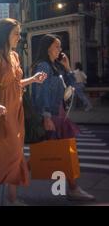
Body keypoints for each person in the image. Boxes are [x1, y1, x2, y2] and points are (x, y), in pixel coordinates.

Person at [0, 18, 47, 206]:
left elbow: (16, 84)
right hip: (1, 110)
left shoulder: (15, 56)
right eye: (16, 33)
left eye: (19, 33)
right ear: (5, 34)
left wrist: (33, 79)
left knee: (16, 154)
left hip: (16, 109)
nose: (19, 36)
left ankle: (12, 198)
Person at [31, 35, 95, 201]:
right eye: (57, 47)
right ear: (47, 48)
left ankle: (73, 188)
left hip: (58, 114)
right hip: (51, 115)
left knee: (59, 153)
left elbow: (72, 86)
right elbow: (40, 93)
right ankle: (11, 178)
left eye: (60, 47)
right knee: (55, 153)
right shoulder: (43, 66)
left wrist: (67, 67)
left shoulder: (55, 66)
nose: (60, 50)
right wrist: (46, 117)